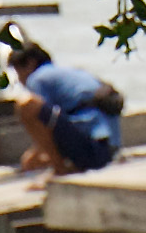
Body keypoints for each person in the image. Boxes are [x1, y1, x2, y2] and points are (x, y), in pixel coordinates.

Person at [8, 40, 123, 175]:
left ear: (30, 63)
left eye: (18, 72)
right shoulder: (71, 72)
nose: (19, 80)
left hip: (94, 150)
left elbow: (40, 119)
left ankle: (59, 170)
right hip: (110, 150)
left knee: (26, 105)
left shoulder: (38, 78)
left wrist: (33, 156)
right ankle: (70, 164)